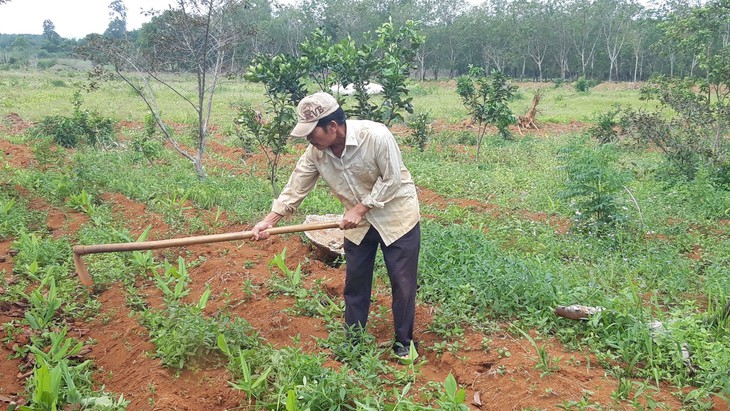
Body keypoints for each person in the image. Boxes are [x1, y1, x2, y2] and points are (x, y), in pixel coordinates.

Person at [251, 92, 421, 359]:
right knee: (355, 283)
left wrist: (361, 207)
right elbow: (297, 185)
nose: (309, 139)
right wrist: (269, 221)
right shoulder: (316, 153)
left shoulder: (375, 136)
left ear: (332, 126)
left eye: (311, 133)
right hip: (356, 225)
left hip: (396, 217)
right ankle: (353, 342)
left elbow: (393, 179)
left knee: (402, 282)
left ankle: (403, 342)